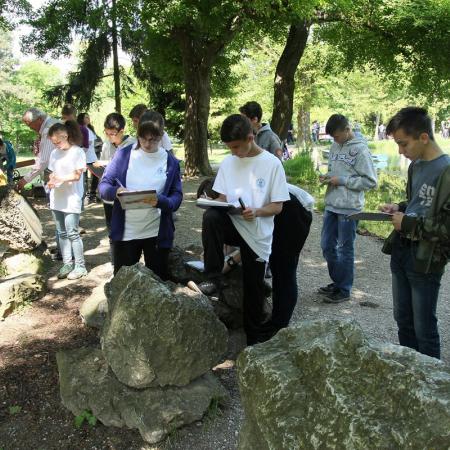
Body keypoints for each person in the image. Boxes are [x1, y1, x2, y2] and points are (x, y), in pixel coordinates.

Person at [198, 114, 289, 345]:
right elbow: (221, 197)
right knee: (210, 217)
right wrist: (216, 203)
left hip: (257, 231)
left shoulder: (272, 164)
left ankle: (253, 340)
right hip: (233, 223)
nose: (233, 153)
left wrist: (257, 211)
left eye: (237, 147)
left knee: (253, 288)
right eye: (229, 148)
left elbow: (277, 207)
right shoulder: (229, 162)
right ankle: (213, 276)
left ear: (251, 137)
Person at [380, 107, 450, 359]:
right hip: (401, 250)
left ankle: (432, 387)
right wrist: (399, 208)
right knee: (403, 319)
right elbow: (417, 203)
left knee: (424, 328)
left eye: (403, 144)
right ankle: (408, 374)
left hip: (426, 259)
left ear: (423, 137)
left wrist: (408, 224)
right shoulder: (416, 166)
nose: (400, 151)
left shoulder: (446, 170)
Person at [99, 110, 182, 279]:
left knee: (158, 283)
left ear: (161, 136)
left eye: (153, 139)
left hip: (156, 234)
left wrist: (162, 201)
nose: (147, 143)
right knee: (123, 283)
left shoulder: (170, 162)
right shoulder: (123, 155)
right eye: (143, 137)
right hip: (126, 233)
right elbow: (103, 186)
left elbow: (177, 196)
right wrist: (116, 192)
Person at [319, 113, 377, 303]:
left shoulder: (361, 150)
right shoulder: (336, 145)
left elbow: (370, 181)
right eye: (332, 137)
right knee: (327, 246)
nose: (334, 140)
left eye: (336, 136)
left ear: (347, 129)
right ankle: (338, 282)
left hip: (349, 208)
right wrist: (328, 177)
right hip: (332, 204)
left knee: (345, 249)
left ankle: (343, 289)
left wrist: (342, 181)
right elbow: (335, 171)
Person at [47, 121, 88, 280]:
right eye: (54, 142)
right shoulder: (54, 153)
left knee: (72, 232)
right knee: (61, 233)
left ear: (67, 136)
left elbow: (77, 176)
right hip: (57, 198)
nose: (56, 145)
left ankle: (80, 266)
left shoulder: (77, 152)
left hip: (72, 198)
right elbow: (52, 172)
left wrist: (60, 179)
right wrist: (52, 180)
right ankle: (67, 263)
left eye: (58, 141)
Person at [98, 112, 136, 264]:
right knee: (112, 231)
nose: (109, 137)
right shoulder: (107, 144)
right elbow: (103, 165)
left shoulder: (133, 144)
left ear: (122, 131)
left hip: (126, 195)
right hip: (110, 196)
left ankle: (130, 262)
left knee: (127, 232)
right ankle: (116, 263)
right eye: (106, 133)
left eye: (112, 134)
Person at [17, 108, 59, 190]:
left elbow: (44, 160)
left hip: (61, 177)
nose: (30, 128)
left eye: (30, 124)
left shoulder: (48, 129)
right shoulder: (54, 122)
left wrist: (25, 179)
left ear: (39, 119)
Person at [77, 112, 100, 203]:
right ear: (81, 119)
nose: (88, 118)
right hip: (84, 156)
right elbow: (86, 142)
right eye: (86, 117)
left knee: (96, 175)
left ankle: (93, 194)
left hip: (92, 156)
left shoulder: (90, 129)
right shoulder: (81, 129)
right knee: (84, 177)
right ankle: (85, 195)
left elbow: (93, 141)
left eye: (88, 117)